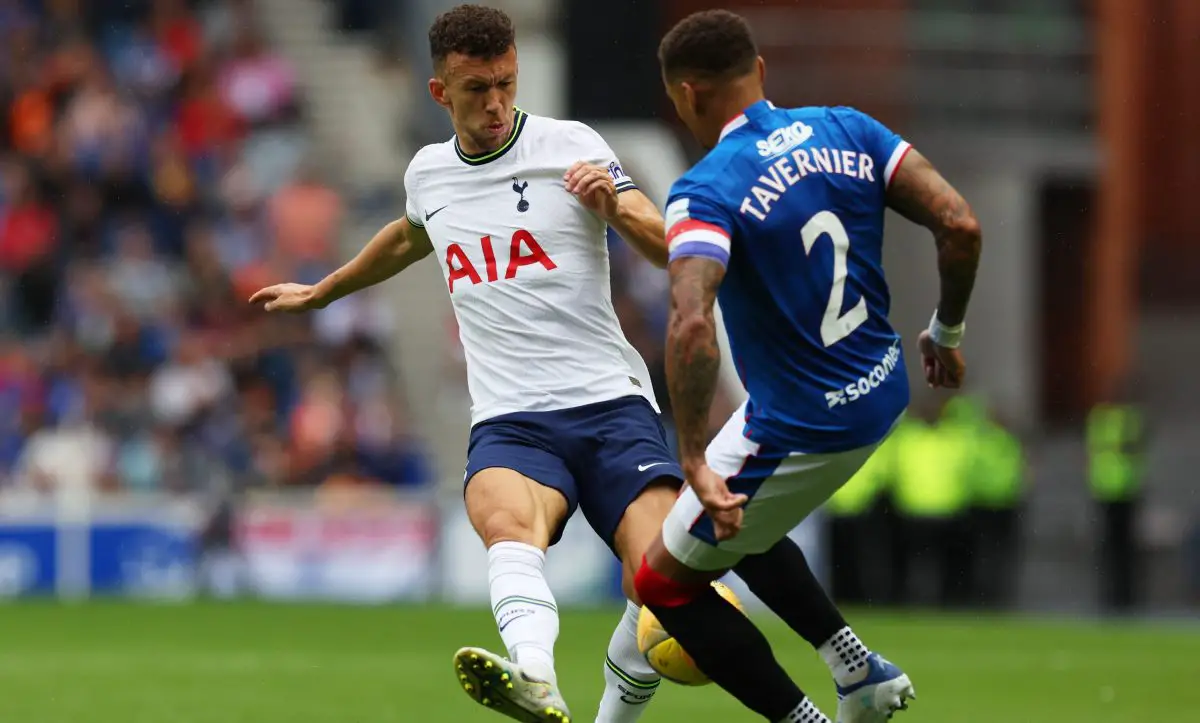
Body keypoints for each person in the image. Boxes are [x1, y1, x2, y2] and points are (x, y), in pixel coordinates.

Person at [251, 5, 680, 723]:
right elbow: (407, 236)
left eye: (506, 83)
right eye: (476, 88)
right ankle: (536, 677)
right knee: (506, 523)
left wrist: (616, 207)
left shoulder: (569, 144)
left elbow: (667, 244)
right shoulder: (429, 173)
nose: (495, 103)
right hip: (512, 418)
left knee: (659, 583)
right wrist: (326, 290)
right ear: (439, 92)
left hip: (609, 404)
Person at [632, 10, 983, 723]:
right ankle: (857, 669)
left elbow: (692, 321)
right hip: (882, 387)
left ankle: (803, 720)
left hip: (802, 422)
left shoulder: (707, 186)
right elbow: (960, 224)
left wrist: (693, 453)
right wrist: (945, 330)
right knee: (735, 518)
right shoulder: (850, 128)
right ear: (759, 72)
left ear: (688, 95)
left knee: (661, 586)